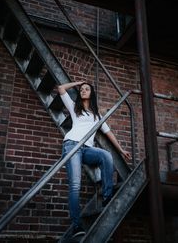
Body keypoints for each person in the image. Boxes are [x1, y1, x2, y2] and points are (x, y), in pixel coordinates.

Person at [58, 82, 131, 238]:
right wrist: (79, 82)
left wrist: (121, 150)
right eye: (82, 90)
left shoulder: (97, 116)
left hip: (86, 149)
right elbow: (61, 89)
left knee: (106, 156)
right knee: (75, 185)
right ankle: (77, 226)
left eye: (87, 89)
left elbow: (109, 133)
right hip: (71, 146)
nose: (83, 91)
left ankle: (106, 197)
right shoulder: (74, 108)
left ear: (92, 94)